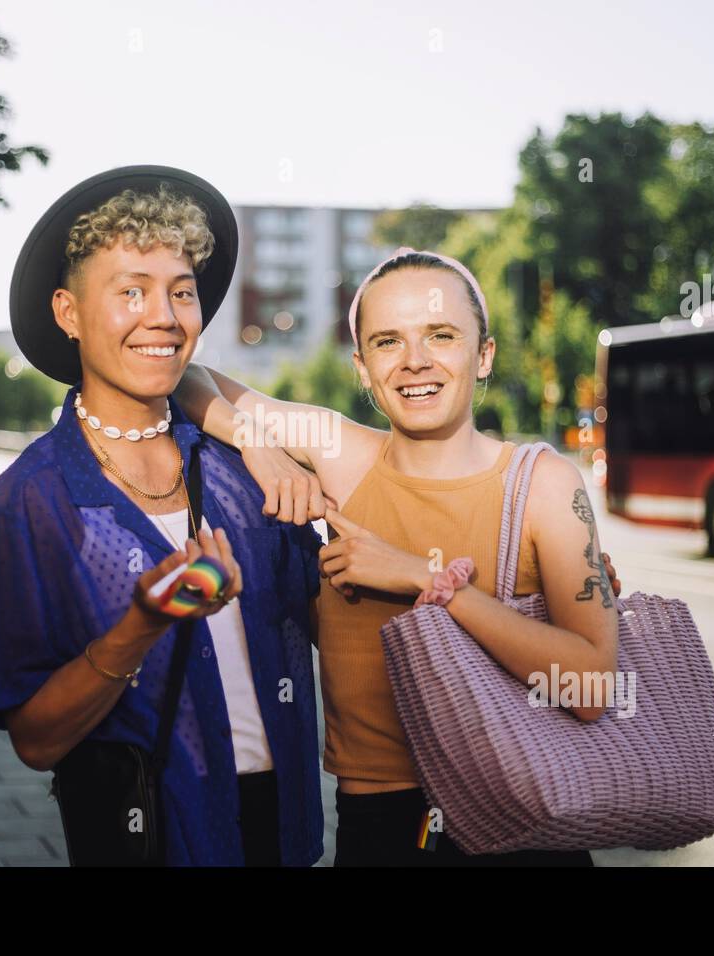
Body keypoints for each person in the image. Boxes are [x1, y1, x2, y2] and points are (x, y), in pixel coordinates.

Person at [175, 247, 622, 866]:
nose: (415, 361)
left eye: (441, 335)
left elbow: (592, 686)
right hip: (378, 834)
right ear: (362, 367)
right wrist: (260, 446)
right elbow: (185, 372)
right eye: (388, 342)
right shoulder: (342, 455)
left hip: (521, 824)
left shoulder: (542, 483)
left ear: (483, 354)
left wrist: (423, 579)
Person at [0, 166, 324, 866]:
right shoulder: (31, 501)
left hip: (281, 837)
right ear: (69, 313)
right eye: (130, 291)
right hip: (151, 835)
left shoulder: (246, 470)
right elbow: (36, 741)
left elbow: (329, 625)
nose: (162, 316)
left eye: (181, 292)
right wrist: (143, 624)